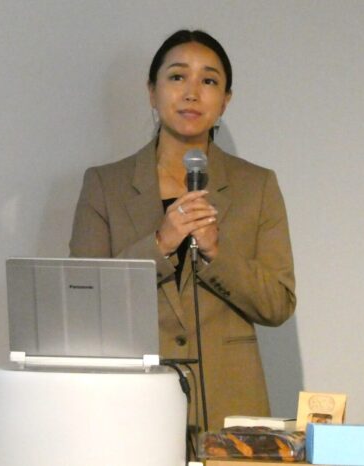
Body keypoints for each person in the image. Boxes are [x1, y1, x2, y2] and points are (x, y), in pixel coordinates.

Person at [69, 30, 296, 432]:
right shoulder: (105, 185)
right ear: (151, 92)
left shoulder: (257, 185)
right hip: (130, 404)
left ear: (225, 100)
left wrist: (217, 253)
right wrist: (159, 244)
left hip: (229, 405)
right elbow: (83, 304)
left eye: (208, 80)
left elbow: (277, 304)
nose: (192, 93)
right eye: (177, 77)